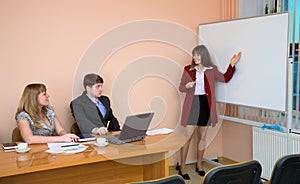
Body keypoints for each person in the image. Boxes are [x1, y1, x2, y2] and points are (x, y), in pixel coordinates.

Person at [178, 45, 242, 180]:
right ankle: (182, 167)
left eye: (198, 55)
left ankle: (199, 165)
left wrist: (231, 65)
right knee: (187, 137)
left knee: (202, 137)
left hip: (206, 105)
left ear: (203, 56)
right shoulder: (187, 69)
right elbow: (181, 87)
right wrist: (187, 86)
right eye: (194, 55)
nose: (195, 58)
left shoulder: (212, 70)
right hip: (192, 105)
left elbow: (225, 78)